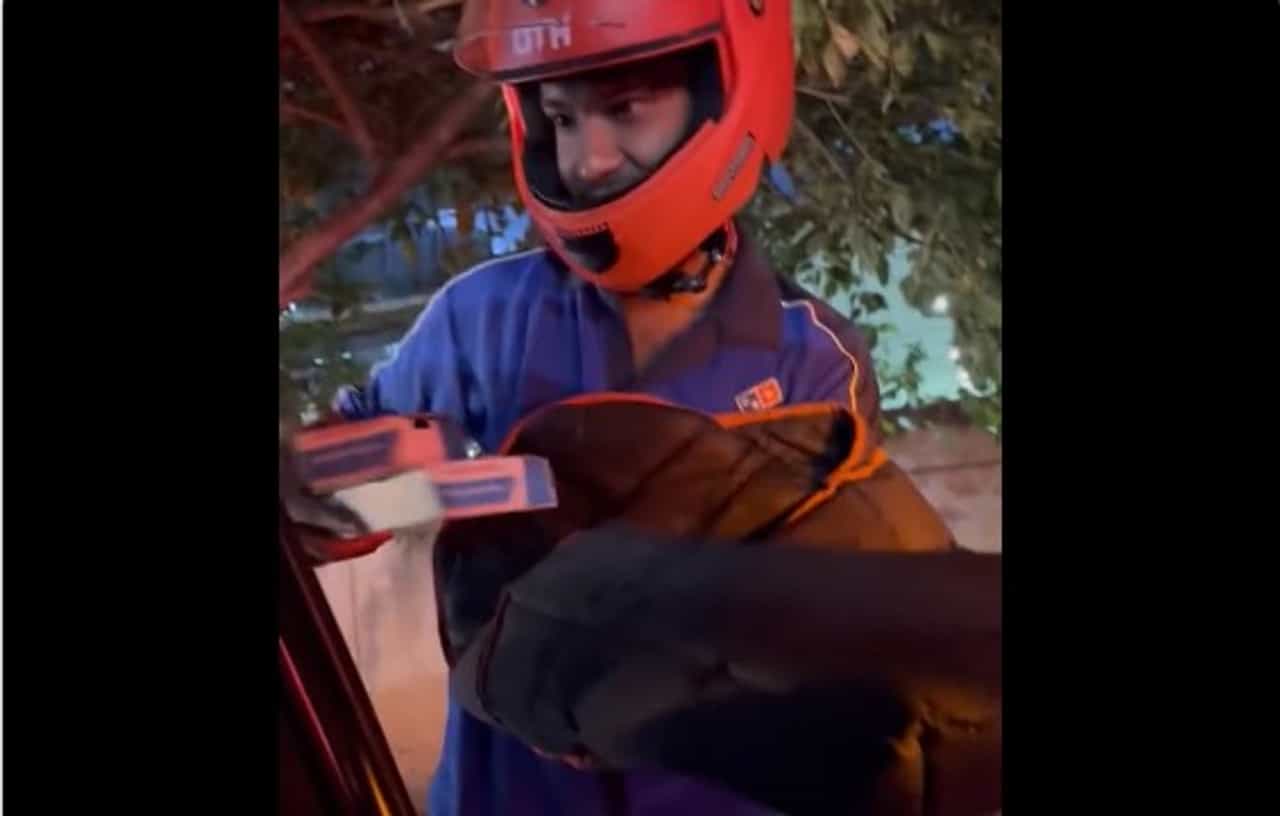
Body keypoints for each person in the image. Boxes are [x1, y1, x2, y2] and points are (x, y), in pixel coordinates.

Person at [323, 1, 998, 813]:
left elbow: (831, 615)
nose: (587, 160)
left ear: (722, 95)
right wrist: (340, 487)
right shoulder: (478, 320)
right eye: (562, 119)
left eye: (626, 109)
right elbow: (357, 495)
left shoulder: (813, 353)